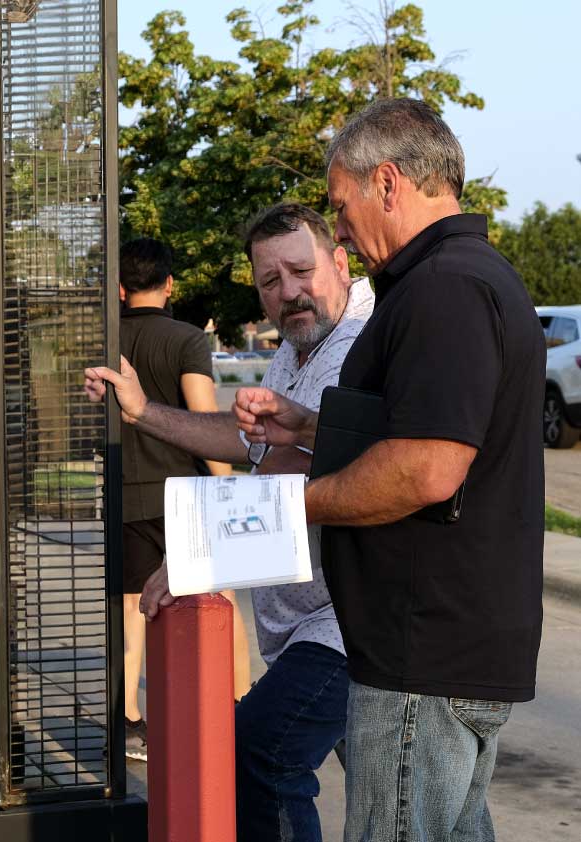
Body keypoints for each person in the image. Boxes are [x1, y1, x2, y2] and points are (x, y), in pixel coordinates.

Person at [234, 98, 546, 842]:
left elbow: (428, 469)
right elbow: (424, 429)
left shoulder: (443, 287)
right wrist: (312, 426)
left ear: (386, 183)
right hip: (442, 653)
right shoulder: (464, 277)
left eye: (340, 206)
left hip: (420, 660)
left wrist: (287, 508)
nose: (338, 227)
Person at [86, 205, 374, 841]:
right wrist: (140, 412)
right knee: (393, 805)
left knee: (260, 754)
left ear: (341, 262)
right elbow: (247, 444)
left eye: (301, 270)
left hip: (347, 623)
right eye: (269, 281)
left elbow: (299, 480)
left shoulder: (353, 349)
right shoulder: (301, 348)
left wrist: (190, 557)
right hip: (308, 625)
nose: (288, 292)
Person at [115, 238, 251, 762]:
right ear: (170, 284)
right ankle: (236, 706)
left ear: (122, 287)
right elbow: (201, 413)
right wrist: (225, 482)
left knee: (133, 607)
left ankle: (128, 721)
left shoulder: (107, 342)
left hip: (126, 491)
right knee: (221, 601)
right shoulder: (188, 338)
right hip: (187, 495)